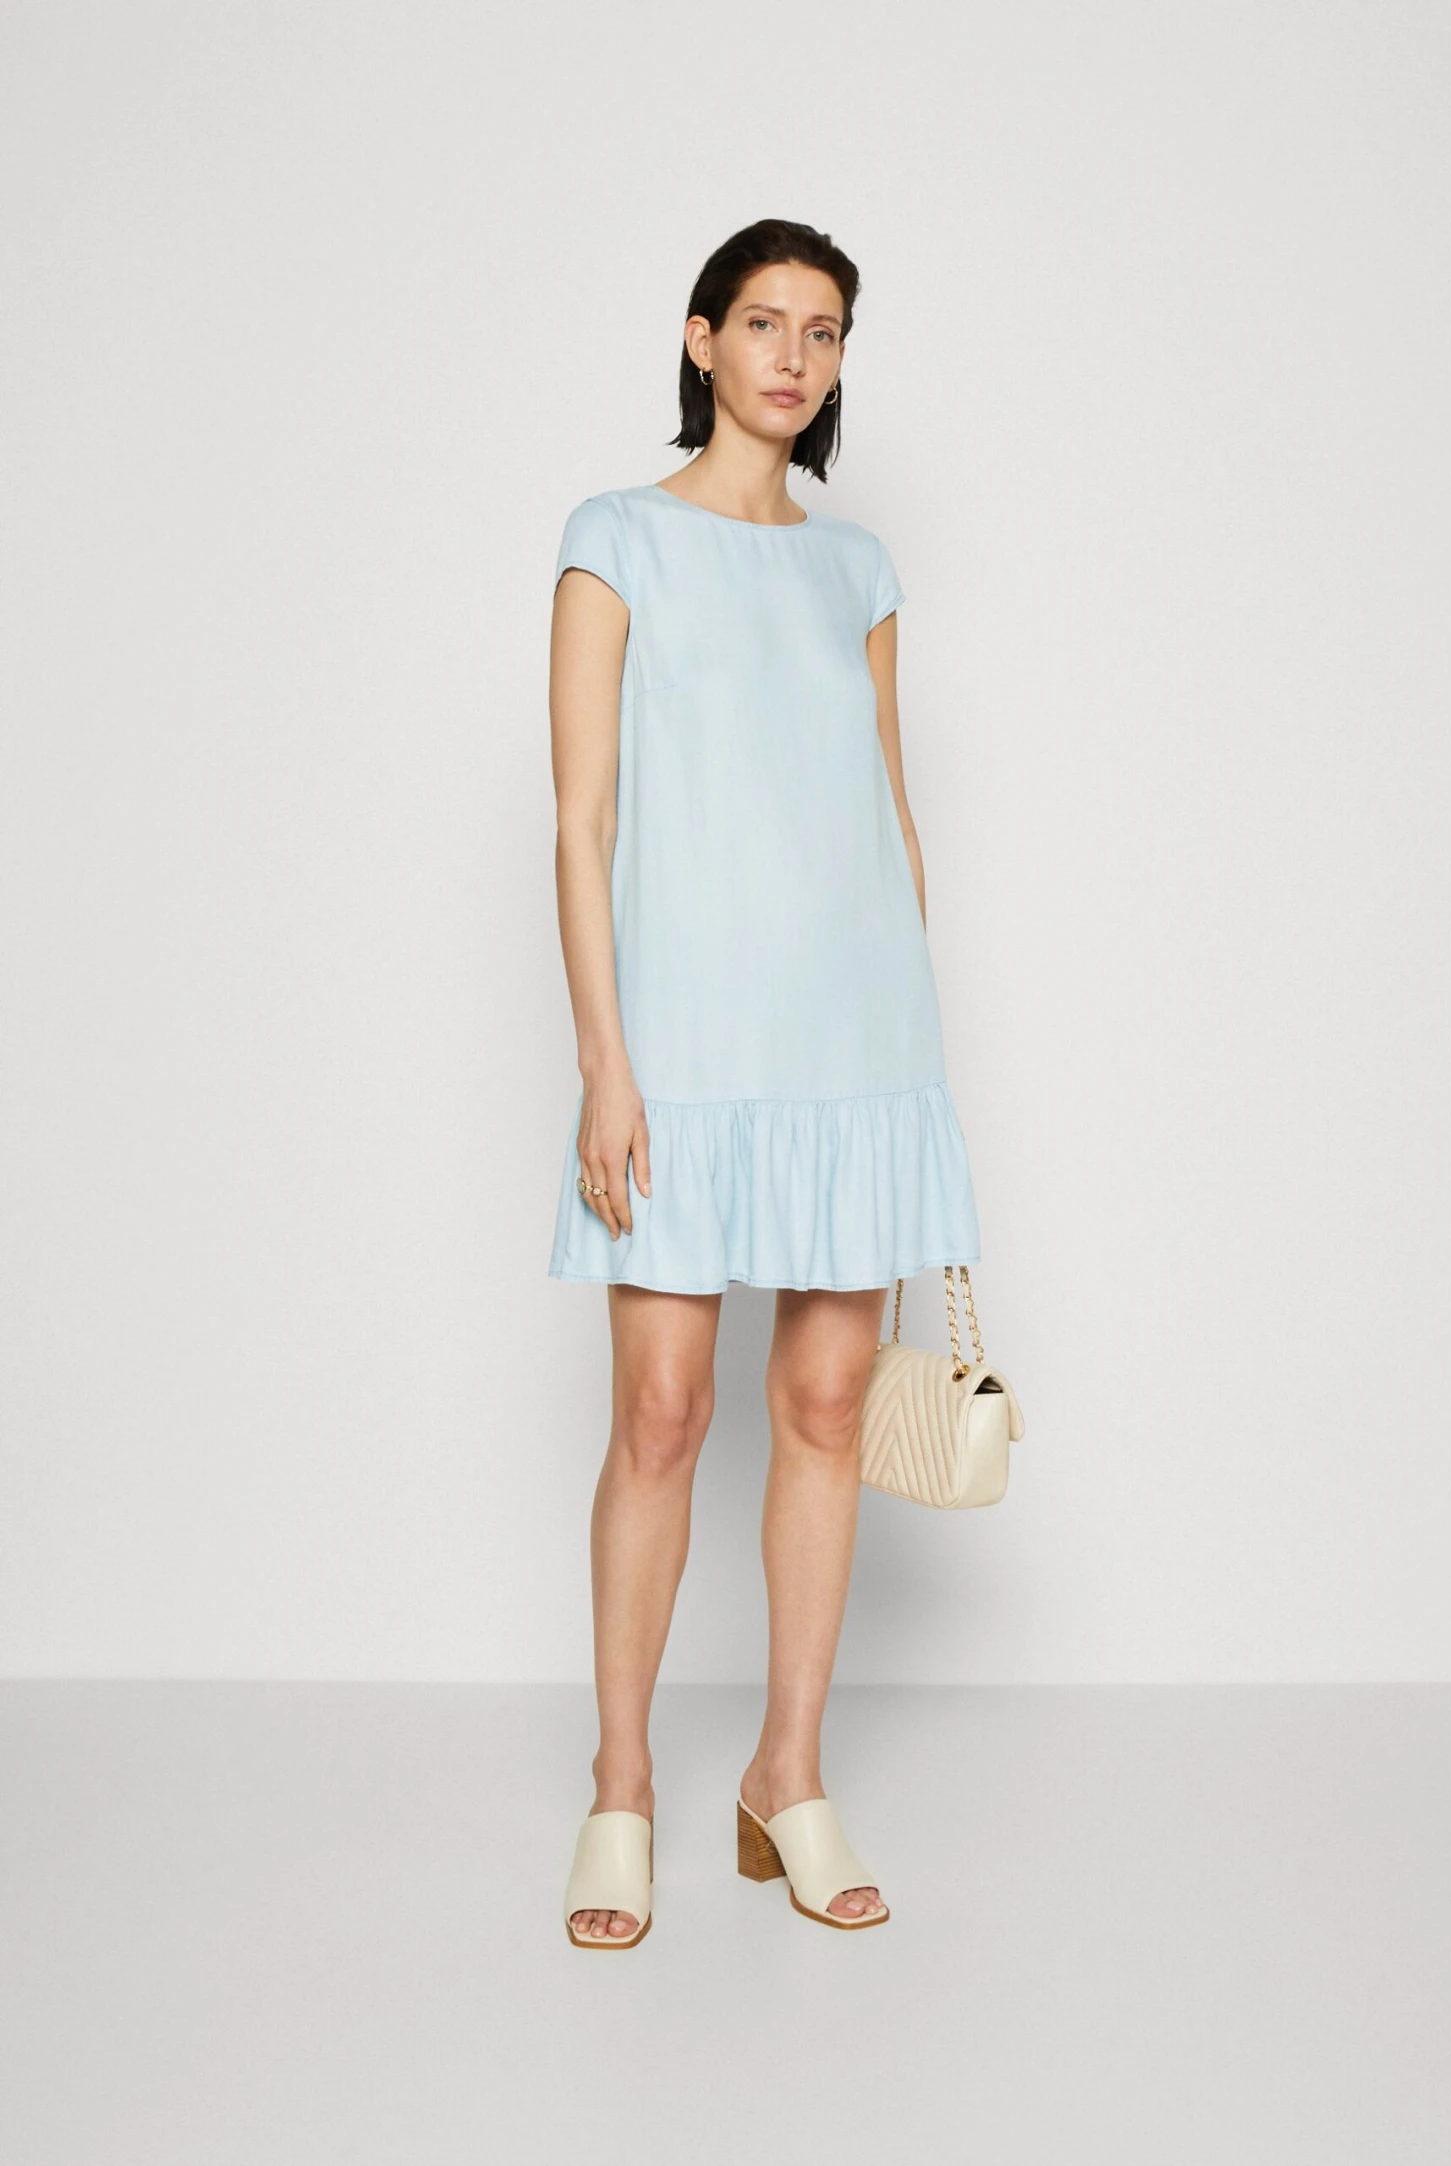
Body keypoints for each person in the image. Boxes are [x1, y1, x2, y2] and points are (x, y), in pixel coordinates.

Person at [548, 218, 981, 1947]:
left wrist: (918, 1067)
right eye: (765, 323)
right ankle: (622, 1786)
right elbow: (581, 822)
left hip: (853, 1046)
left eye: (825, 330)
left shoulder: (857, 567)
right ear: (702, 339)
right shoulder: (615, 539)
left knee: (823, 1410)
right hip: (682, 1050)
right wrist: (606, 1062)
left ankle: (785, 1773)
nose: (795, 356)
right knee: (661, 1414)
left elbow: (889, 814)